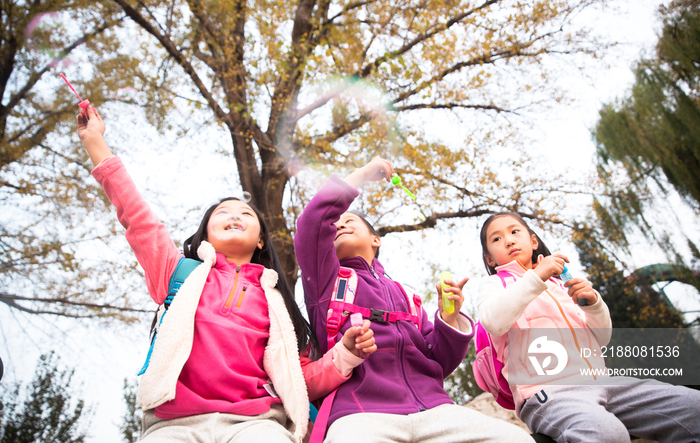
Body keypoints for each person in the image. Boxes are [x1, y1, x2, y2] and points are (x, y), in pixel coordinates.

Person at [76, 107, 376, 443]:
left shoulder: (278, 305)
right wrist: (95, 142)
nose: (235, 215)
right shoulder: (177, 274)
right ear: (205, 233)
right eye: (223, 212)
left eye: (246, 213)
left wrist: (346, 354)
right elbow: (137, 217)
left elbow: (300, 378)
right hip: (173, 424)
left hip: (258, 424)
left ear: (261, 238)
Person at [294, 156, 533, 443]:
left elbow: (436, 361)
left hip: (435, 409)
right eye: (335, 224)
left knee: (514, 439)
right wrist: (360, 175)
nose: (339, 225)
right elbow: (313, 222)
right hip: (360, 415)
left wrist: (449, 319)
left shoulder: (408, 296)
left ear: (376, 240)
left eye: (350, 221)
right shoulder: (325, 280)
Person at [477, 211, 700, 443]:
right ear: (490, 259)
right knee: (607, 434)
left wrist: (593, 304)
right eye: (497, 239)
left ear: (533, 241)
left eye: (514, 232)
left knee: (693, 408)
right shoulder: (495, 285)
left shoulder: (561, 283)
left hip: (605, 382)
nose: (509, 240)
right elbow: (493, 321)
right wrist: (537, 275)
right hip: (550, 394)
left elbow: (601, 338)